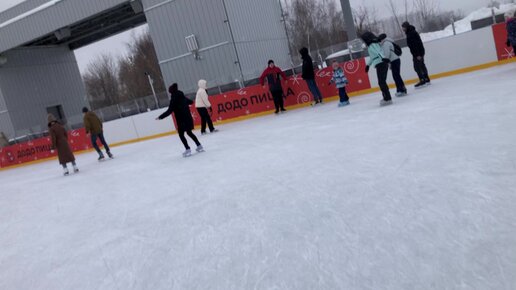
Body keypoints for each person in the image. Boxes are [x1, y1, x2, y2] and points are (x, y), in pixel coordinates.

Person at [157, 83, 203, 158]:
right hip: (188, 118)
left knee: (181, 134)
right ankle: (199, 145)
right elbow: (191, 102)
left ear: (171, 92)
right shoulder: (182, 96)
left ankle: (187, 149)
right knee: (189, 132)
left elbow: (169, 111)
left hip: (181, 120)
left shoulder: (173, 99)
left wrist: (160, 117)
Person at [362, 32, 393, 107]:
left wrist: (383, 58)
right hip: (380, 63)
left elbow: (378, 52)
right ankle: (386, 97)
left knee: (381, 82)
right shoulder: (373, 44)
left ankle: (387, 98)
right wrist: (368, 65)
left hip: (381, 63)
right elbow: (373, 57)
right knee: (382, 82)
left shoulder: (372, 45)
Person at [402, 21, 430, 88]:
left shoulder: (410, 33)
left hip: (417, 53)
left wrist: (418, 55)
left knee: (417, 67)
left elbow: (415, 45)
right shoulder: (412, 32)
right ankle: (426, 79)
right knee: (422, 65)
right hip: (420, 52)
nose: (402, 29)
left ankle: (422, 80)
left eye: (403, 27)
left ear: (406, 27)